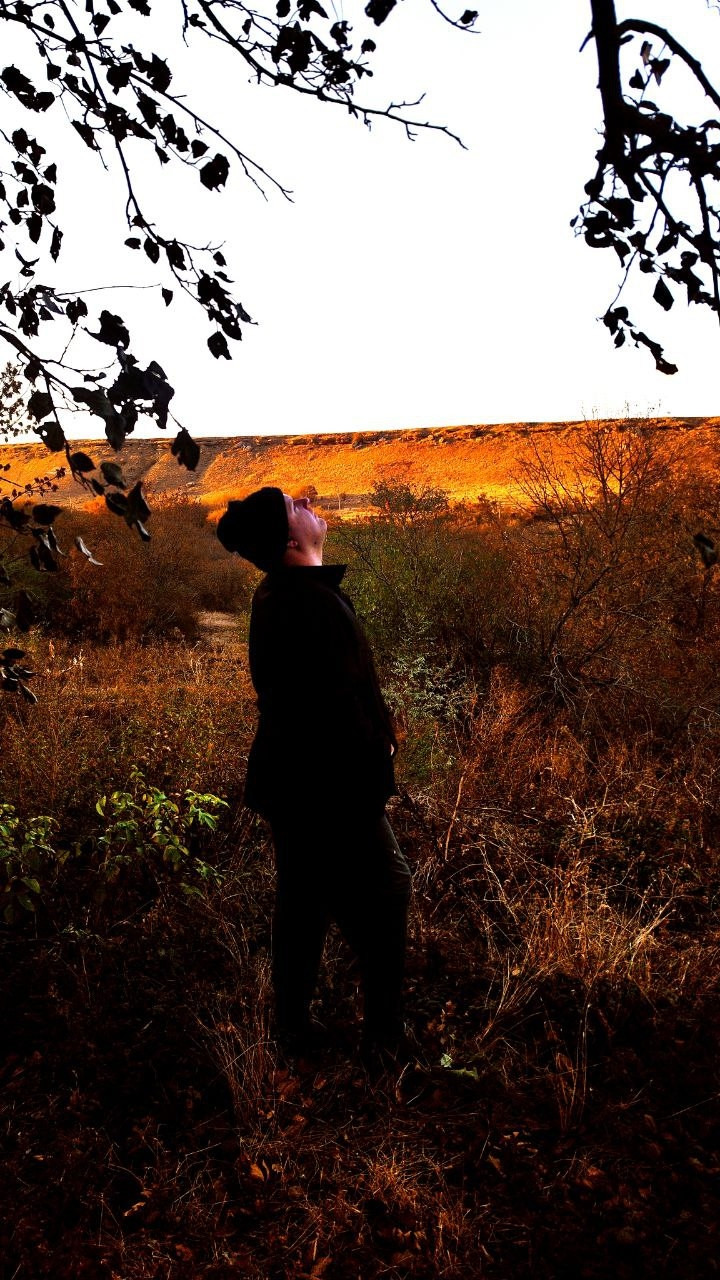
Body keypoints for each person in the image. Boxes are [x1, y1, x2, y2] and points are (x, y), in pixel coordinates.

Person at [217, 486, 412, 1060]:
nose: (307, 502)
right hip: (327, 787)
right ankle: (383, 1040)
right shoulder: (306, 603)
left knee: (304, 899)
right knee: (387, 887)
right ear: (289, 538)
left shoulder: (289, 594)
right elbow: (328, 713)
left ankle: (293, 1030)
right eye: (293, 505)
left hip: (293, 781)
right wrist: (375, 766)